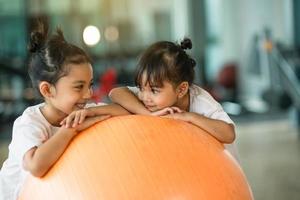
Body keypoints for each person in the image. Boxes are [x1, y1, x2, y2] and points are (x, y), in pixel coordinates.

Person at [0, 21, 128, 200]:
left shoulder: (82, 111)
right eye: (78, 87)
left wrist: (95, 113)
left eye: (90, 84)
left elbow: (126, 113)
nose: (89, 93)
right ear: (47, 90)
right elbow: (36, 166)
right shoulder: (29, 123)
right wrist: (70, 129)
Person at [109, 38, 239, 159]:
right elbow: (115, 93)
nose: (144, 96)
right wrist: (148, 114)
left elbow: (229, 134)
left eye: (154, 90)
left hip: (221, 168)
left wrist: (188, 116)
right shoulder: (151, 95)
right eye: (141, 87)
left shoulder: (201, 101)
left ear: (181, 89)